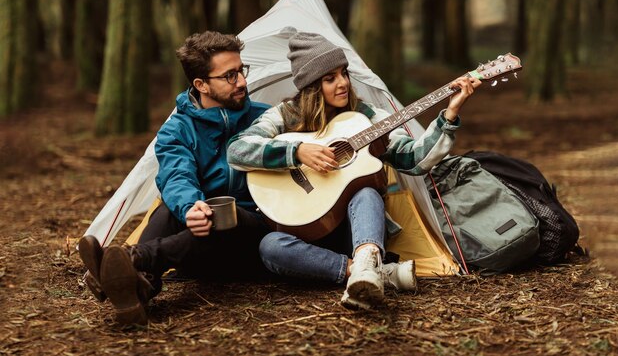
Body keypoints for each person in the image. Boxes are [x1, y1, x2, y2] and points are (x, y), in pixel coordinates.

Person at [227, 32, 481, 309]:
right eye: (330, 78)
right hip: (304, 235)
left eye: (344, 73)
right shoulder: (286, 115)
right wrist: (297, 151)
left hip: (358, 232)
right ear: (311, 85)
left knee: (367, 192)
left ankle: (366, 261)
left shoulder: (367, 117)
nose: (343, 83)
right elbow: (237, 149)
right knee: (270, 247)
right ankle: (373, 273)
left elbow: (415, 160)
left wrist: (450, 115)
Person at [78, 31, 271, 325]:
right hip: (200, 244)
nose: (242, 82)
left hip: (252, 238)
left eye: (241, 71)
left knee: (226, 215)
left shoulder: (265, 119)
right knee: (170, 208)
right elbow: (176, 175)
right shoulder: (177, 129)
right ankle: (137, 290)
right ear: (200, 84)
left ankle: (132, 260)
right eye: (230, 76)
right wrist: (191, 206)